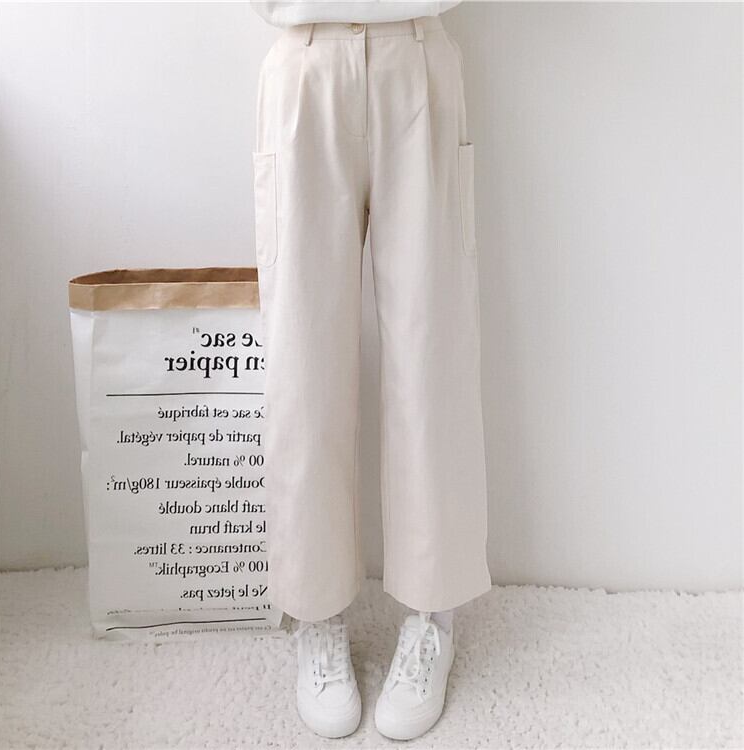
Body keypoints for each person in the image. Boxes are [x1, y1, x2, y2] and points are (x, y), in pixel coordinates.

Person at [250, 0, 491, 740]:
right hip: (306, 60)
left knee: (431, 352)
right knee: (303, 360)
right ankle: (315, 611)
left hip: (415, 52)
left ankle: (432, 615)